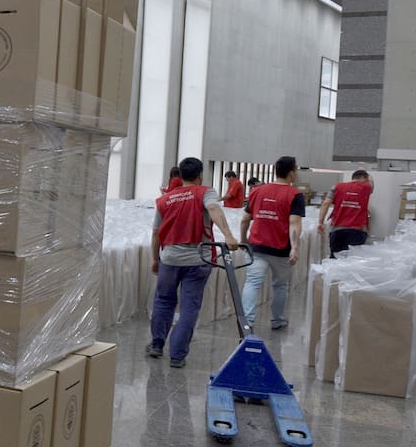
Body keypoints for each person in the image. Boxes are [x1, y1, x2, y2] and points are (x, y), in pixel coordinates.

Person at [147, 157, 239, 368]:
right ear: (200, 175)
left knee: (163, 300)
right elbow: (214, 210)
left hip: (169, 258)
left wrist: (155, 259)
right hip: (198, 259)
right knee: (189, 306)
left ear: (179, 175)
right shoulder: (205, 192)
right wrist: (229, 235)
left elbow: (155, 234)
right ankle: (177, 355)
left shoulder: (165, 199)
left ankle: (157, 345)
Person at [239, 155, 305, 331]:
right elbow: (294, 223)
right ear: (291, 173)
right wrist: (295, 248)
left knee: (252, 282)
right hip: (281, 250)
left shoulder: (257, 191)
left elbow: (245, 219)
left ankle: (248, 322)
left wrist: (243, 240)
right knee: (280, 285)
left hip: (257, 247)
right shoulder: (295, 195)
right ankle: (276, 319)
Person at [318, 169, 374, 256]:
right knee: (351, 261)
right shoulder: (366, 187)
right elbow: (371, 181)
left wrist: (320, 222)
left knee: (335, 257)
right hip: (357, 230)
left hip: (337, 229)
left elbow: (325, 204)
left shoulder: (336, 187)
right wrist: (363, 171)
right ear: (364, 178)